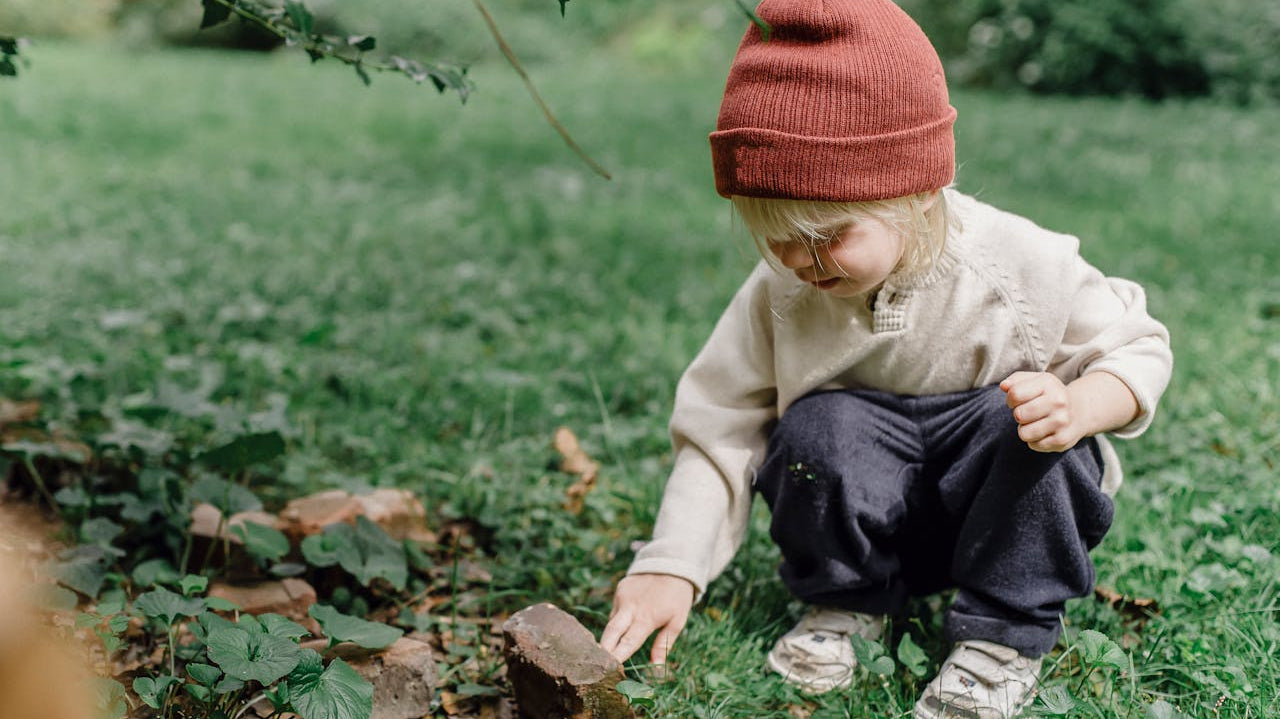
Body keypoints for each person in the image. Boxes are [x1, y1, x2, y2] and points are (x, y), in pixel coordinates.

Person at [597, 1, 1173, 717]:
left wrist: (1085, 404)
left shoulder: (1017, 264)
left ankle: (1000, 637)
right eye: (777, 240)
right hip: (870, 513)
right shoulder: (781, 293)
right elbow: (720, 424)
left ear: (917, 194)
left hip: (993, 510)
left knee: (1030, 429)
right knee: (818, 429)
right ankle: (847, 601)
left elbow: (1137, 343)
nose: (803, 264)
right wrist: (672, 565)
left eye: (830, 235)